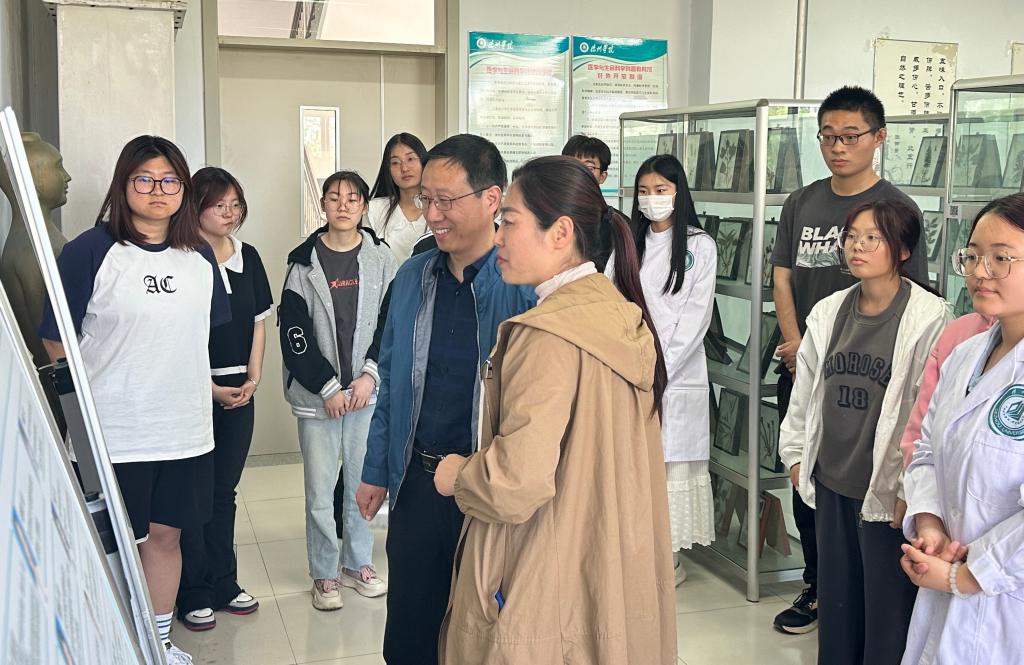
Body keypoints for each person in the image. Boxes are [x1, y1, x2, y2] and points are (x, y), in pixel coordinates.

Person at [432, 155, 676, 664]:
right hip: (608, 561)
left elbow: (515, 484)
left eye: (509, 221)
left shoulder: (546, 336)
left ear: (561, 232)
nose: (498, 237)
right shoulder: (620, 316)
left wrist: (459, 475)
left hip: (545, 569)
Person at [38, 135, 231, 665]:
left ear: (184, 189)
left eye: (170, 180)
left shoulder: (199, 257)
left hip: (184, 431)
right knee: (108, 547)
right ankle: (107, 646)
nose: (157, 190)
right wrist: (82, 410)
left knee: (166, 538)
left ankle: (157, 645)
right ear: (123, 185)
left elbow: (199, 337)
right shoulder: (89, 252)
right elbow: (55, 339)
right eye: (144, 179)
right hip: (112, 434)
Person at [355, 134, 535, 665]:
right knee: (409, 634)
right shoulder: (413, 276)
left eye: (445, 201)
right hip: (415, 481)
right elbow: (391, 382)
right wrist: (375, 470)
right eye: (425, 199)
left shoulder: (521, 287)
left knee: (480, 631)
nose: (431, 214)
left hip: (484, 488)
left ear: (491, 199)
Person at [769, 85, 931, 634]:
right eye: (828, 137)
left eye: (850, 136)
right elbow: (783, 276)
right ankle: (820, 587)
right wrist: (795, 345)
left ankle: (864, 598)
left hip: (872, 374)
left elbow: (911, 300)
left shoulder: (897, 208)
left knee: (866, 482)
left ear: (878, 138)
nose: (838, 147)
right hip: (809, 360)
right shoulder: (802, 201)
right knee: (810, 474)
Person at [778, 198, 950, 665]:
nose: (858, 246)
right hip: (832, 480)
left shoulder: (930, 318)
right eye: (852, 236)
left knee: (886, 620)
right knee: (838, 614)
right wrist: (796, 457)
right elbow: (805, 391)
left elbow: (929, 413)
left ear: (903, 250)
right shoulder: (829, 311)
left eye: (873, 238)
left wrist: (913, 488)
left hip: (887, 492)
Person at [899, 193, 1024, 664]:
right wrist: (929, 523)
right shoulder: (965, 356)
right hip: (945, 578)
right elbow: (928, 449)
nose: (979, 272)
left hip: (1007, 601)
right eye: (972, 256)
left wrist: (967, 576)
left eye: (1001, 258)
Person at [280, 170, 397, 610]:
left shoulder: (382, 259)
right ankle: (324, 572)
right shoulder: (303, 263)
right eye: (334, 197)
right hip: (320, 398)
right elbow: (294, 333)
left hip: (366, 393)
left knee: (363, 484)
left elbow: (391, 323)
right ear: (323, 205)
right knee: (319, 490)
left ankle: (358, 562)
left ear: (364, 206)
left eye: (352, 198)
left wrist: (370, 375)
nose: (343, 205)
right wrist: (326, 386)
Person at [607, 154, 716, 585]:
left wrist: (657, 369)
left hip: (675, 373)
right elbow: (610, 301)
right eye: (644, 191)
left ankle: (667, 560)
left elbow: (695, 318)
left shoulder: (699, 246)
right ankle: (634, 554)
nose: (651, 199)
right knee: (633, 464)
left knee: (669, 467)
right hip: (628, 365)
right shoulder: (627, 242)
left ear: (677, 192)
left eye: (660, 190)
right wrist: (628, 362)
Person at [176, 167, 272, 631]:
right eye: (219, 205)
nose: (230, 213)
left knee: (223, 493)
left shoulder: (248, 256)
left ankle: (223, 583)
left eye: (235, 204)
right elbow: (177, 334)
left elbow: (259, 321)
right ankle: (192, 591)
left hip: (240, 391)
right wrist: (209, 388)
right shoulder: (181, 257)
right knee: (193, 495)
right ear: (196, 207)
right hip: (193, 391)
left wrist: (254, 377)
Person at [562, 133, 625, 271]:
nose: (579, 172)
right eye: (573, 165)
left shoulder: (618, 223)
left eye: (589, 168)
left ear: (602, 176)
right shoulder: (549, 215)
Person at [366, 133, 430, 262]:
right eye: (395, 162)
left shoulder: (442, 208)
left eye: (410, 159)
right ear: (388, 169)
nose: (404, 168)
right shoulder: (374, 210)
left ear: (423, 161)